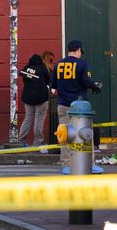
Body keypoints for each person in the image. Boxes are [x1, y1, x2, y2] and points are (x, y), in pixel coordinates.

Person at [52, 39, 102, 174]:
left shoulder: (58, 65)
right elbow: (87, 81)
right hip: (80, 108)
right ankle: (89, 164)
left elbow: (53, 85)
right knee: (85, 135)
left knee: (65, 135)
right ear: (79, 50)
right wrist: (94, 85)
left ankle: (67, 164)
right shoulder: (82, 64)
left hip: (63, 105)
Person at [18, 53, 51, 149]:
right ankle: (38, 142)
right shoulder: (42, 67)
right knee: (39, 120)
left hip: (28, 98)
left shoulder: (27, 68)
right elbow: (48, 80)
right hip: (41, 98)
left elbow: (25, 80)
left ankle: (21, 140)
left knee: (27, 119)